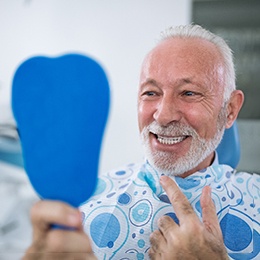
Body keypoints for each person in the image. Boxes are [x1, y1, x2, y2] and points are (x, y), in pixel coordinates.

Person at [23, 24, 259, 260]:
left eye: (188, 93)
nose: (163, 115)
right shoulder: (81, 208)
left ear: (229, 109)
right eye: (151, 93)